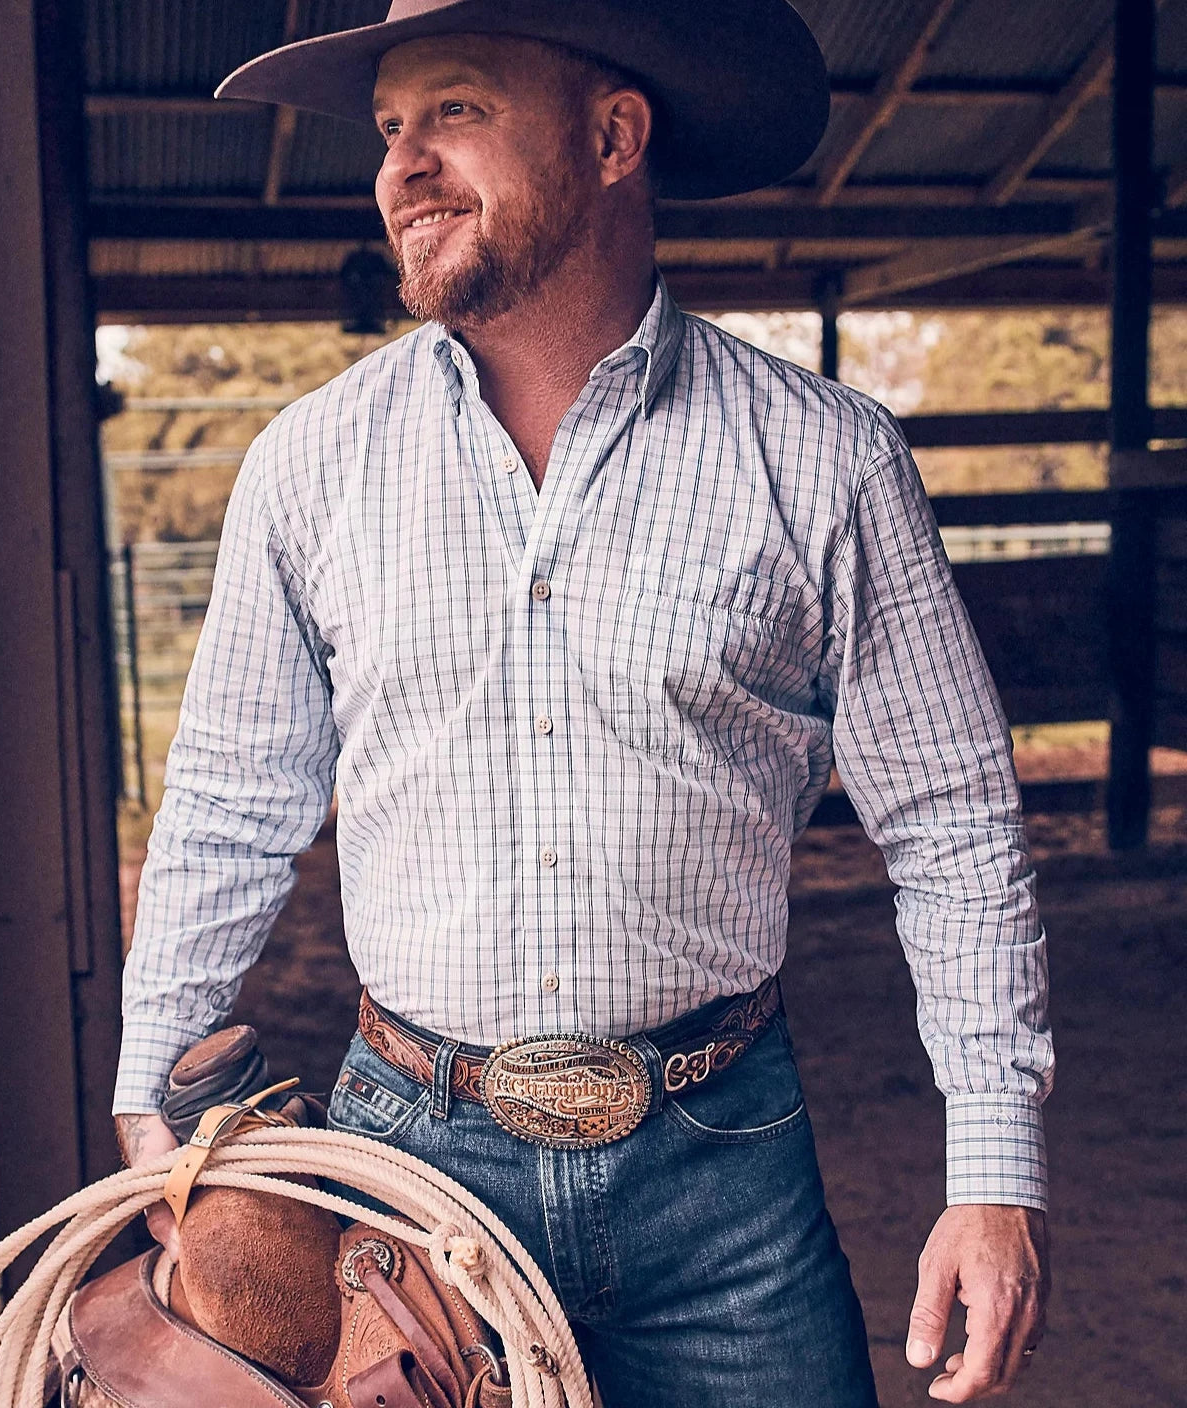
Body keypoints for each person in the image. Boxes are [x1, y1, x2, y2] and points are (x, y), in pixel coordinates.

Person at [112, 2, 1052, 1403]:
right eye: (388, 130)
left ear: (613, 136)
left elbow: (954, 826)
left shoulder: (824, 462)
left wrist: (993, 1173)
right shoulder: (309, 469)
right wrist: (150, 1100)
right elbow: (233, 806)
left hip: (723, 1175)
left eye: (458, 113)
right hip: (411, 1173)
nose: (402, 166)